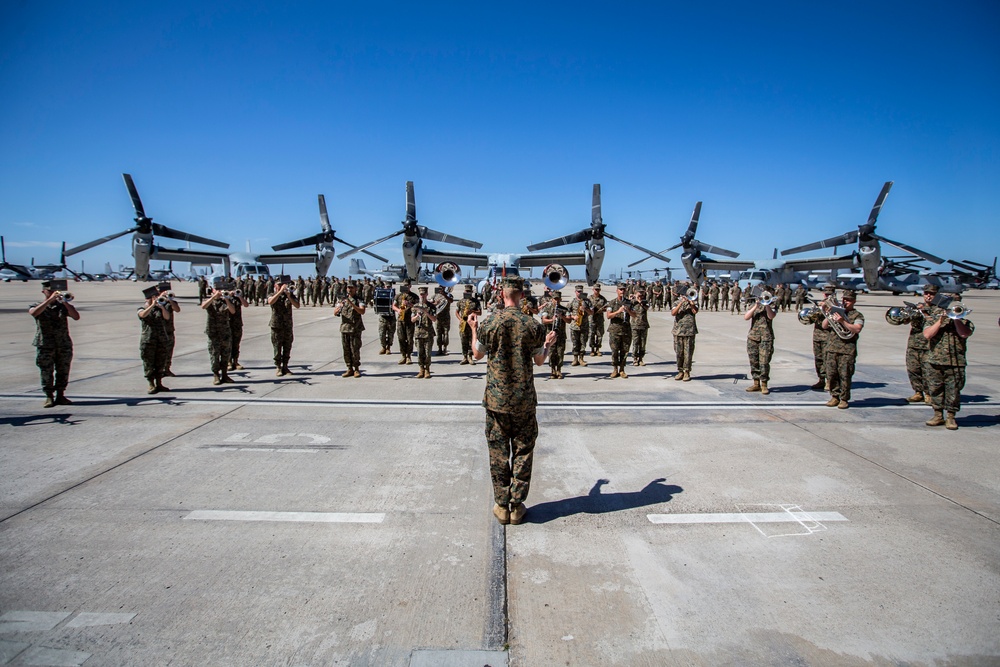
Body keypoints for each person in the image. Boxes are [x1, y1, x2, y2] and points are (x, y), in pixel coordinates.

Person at [469, 276, 557, 525]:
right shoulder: (533, 325)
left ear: (502, 295)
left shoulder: (490, 323)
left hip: (497, 401)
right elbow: (539, 362)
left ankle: (500, 504)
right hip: (523, 401)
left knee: (498, 453)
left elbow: (476, 354)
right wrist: (548, 345)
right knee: (523, 451)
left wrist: (474, 328)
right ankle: (516, 506)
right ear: (521, 295)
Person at [922, 293, 974, 430]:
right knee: (935, 389)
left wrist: (956, 318)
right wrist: (940, 321)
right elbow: (927, 334)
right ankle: (938, 415)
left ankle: (951, 417)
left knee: (954, 391)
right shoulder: (933, 320)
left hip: (956, 362)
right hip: (935, 360)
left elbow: (964, 334)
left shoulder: (965, 322)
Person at [29, 279, 80, 407]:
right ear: (43, 291)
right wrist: (49, 301)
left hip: (63, 343)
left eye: (55, 291)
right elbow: (34, 313)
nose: (53, 293)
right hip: (45, 344)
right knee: (46, 370)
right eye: (50, 290)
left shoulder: (62, 306)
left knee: (63, 370)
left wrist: (65, 302)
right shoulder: (37, 305)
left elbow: (76, 316)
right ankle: (48, 396)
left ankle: (61, 395)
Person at [822, 290, 865, 408]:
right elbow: (824, 326)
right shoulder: (837, 311)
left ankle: (844, 399)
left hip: (847, 350)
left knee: (845, 375)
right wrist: (828, 314)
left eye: (849, 300)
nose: (846, 302)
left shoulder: (857, 315)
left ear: (854, 301)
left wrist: (842, 321)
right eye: (844, 299)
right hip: (832, 348)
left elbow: (857, 329)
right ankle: (834, 396)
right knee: (831, 374)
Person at [902, 286, 938, 404]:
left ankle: (929, 393)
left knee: (928, 371)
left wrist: (925, 312)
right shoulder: (917, 307)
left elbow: (935, 321)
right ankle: (918, 392)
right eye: (926, 293)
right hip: (914, 343)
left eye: (931, 294)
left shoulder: (939, 309)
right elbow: (903, 320)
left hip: (929, 345)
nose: (928, 296)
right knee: (913, 369)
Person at [201, 279, 236, 385]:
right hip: (213, 333)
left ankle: (225, 374)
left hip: (225, 332)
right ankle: (216, 375)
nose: (219, 292)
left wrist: (226, 299)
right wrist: (213, 297)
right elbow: (203, 306)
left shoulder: (224, 301)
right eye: (217, 290)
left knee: (225, 354)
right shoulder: (210, 302)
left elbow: (232, 311)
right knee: (214, 354)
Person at [138, 285, 173, 394]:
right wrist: (151, 305)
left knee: (160, 362)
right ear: (146, 299)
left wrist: (161, 307)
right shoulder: (142, 308)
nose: (153, 299)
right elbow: (143, 315)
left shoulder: (160, 308)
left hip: (161, 340)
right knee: (149, 363)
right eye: (150, 298)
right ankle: (151, 384)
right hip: (148, 340)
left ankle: (159, 383)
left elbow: (167, 317)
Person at [744, 286, 777, 394]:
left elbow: (771, 316)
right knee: (754, 361)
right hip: (753, 337)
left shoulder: (772, 304)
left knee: (764, 362)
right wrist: (756, 306)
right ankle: (756, 383)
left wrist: (766, 305)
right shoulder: (754, 305)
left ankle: (764, 384)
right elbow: (746, 317)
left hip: (766, 338)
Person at [267, 277, 299, 376]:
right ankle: (278, 367)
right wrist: (280, 292)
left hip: (287, 325)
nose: (282, 287)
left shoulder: (290, 295)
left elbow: (297, 305)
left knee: (287, 346)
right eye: (279, 285)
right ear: (275, 286)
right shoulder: (272, 294)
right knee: (277, 347)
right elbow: (270, 301)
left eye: (283, 285)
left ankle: (285, 366)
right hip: (276, 325)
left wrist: (289, 296)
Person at [334, 281, 366, 378]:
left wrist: (351, 303)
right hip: (344, 328)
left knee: (355, 349)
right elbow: (335, 313)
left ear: (356, 288)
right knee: (346, 349)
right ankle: (349, 368)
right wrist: (339, 307)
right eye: (348, 287)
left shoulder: (358, 299)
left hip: (355, 328)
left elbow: (362, 311)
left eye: (352, 287)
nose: (349, 289)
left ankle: (356, 369)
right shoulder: (342, 300)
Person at [605, 284, 636, 378]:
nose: (622, 291)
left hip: (626, 330)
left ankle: (622, 369)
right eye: (620, 289)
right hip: (615, 330)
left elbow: (634, 315)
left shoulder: (629, 302)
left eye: (623, 289)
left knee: (625, 351)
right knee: (614, 351)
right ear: (617, 291)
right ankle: (615, 369)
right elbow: (608, 316)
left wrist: (628, 310)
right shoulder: (611, 303)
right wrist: (618, 311)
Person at [540, 290, 572, 379]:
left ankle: (559, 370)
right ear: (552, 299)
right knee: (551, 353)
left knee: (560, 352)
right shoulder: (547, 309)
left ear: (560, 299)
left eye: (558, 299)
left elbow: (569, 320)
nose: (556, 301)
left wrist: (562, 316)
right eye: (555, 299)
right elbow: (544, 320)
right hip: (551, 335)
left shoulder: (565, 309)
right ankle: (552, 370)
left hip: (561, 335)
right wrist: (552, 320)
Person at [670, 286, 698, 381]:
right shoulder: (676, 302)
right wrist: (681, 303)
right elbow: (673, 313)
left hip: (690, 331)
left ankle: (687, 372)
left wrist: (691, 303)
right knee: (679, 353)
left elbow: (695, 311)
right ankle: (680, 371)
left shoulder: (693, 302)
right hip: (678, 331)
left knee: (688, 353)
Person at [412, 286, 437, 378]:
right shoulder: (415, 307)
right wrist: (417, 316)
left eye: (424, 294)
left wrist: (426, 312)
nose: (422, 296)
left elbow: (434, 319)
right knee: (419, 353)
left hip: (428, 333)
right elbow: (412, 320)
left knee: (427, 353)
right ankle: (421, 369)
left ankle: (427, 369)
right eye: (421, 294)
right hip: (418, 333)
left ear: (427, 294)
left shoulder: (431, 307)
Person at [157, 283, 180, 377]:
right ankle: (159, 370)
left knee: (169, 350)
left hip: (169, 330)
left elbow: (177, 309)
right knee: (159, 352)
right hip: (158, 330)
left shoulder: (170, 301)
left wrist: (170, 300)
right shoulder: (155, 301)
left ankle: (167, 369)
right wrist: (159, 298)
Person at [456, 284, 481, 365]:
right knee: (463, 341)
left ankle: (470, 357)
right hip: (463, 324)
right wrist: (460, 319)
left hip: (471, 324)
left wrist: (472, 312)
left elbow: (480, 312)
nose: (467, 292)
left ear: (472, 292)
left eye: (469, 291)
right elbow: (456, 312)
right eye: (466, 291)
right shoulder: (460, 301)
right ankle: (464, 357)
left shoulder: (476, 301)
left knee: (471, 341)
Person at [392, 280, 417, 365]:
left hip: (410, 320)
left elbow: (418, 307)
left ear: (410, 286)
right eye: (404, 285)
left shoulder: (414, 296)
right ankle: (403, 355)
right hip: (400, 320)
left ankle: (408, 356)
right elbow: (393, 306)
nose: (406, 287)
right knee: (401, 338)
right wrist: (398, 310)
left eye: (407, 285)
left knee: (409, 339)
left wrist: (409, 304)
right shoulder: (398, 296)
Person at [568, 284, 592, 367]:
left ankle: (581, 359)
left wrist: (585, 308)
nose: (579, 293)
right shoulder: (572, 302)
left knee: (583, 343)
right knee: (575, 343)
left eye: (581, 291)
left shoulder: (587, 301)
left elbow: (592, 312)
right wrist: (573, 317)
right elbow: (567, 313)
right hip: (574, 326)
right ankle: (575, 359)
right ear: (575, 292)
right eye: (578, 291)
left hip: (584, 326)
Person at [228, 284, 250, 371]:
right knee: (228, 344)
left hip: (237, 324)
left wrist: (239, 296)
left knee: (236, 344)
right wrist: (228, 297)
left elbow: (246, 305)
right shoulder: (225, 299)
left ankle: (235, 361)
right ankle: (228, 362)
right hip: (228, 324)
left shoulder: (237, 299)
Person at [630, 288, 650, 366]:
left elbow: (647, 308)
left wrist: (641, 302)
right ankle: (635, 358)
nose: (641, 295)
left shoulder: (645, 302)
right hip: (635, 325)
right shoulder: (632, 302)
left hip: (644, 325)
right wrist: (634, 299)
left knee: (642, 343)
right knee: (635, 342)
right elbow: (627, 307)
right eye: (639, 293)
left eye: (642, 293)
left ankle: (641, 358)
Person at [432, 285, 453, 355]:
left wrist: (445, 295)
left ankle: (445, 348)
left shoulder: (448, 295)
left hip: (446, 317)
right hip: (438, 317)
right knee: (438, 334)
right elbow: (431, 304)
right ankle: (439, 348)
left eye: (442, 287)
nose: (441, 288)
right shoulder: (435, 296)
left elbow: (451, 300)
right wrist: (435, 303)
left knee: (446, 333)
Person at [588, 284, 608, 356]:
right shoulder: (589, 298)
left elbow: (607, 307)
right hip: (591, 319)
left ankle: (598, 349)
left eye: (598, 289)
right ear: (593, 290)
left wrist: (603, 309)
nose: (597, 291)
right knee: (591, 334)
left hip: (599, 319)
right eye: (595, 289)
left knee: (599, 335)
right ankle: (592, 349)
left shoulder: (603, 299)